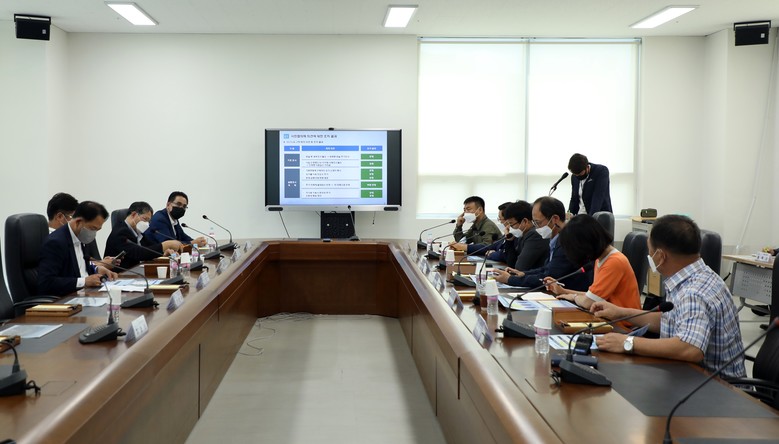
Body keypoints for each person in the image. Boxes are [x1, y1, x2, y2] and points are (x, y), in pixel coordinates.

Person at [591, 215, 746, 379]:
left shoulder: (693, 293)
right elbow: (672, 320)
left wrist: (627, 343)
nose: (649, 256)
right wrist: (620, 312)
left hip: (716, 386)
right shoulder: (698, 276)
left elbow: (690, 348)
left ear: (660, 256)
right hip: (690, 375)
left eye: (650, 251)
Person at [492, 196, 592, 291]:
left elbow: (549, 276)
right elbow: (546, 268)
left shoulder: (568, 241)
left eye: (538, 223)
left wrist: (510, 279)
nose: (536, 228)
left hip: (571, 297)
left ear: (555, 219)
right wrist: (523, 274)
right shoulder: (556, 239)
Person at [545, 214, 640, 311]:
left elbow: (588, 302)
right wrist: (563, 291)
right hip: (608, 315)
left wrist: (574, 297)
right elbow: (592, 296)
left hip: (622, 320)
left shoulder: (614, 262)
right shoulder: (600, 258)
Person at [38, 201, 118, 297]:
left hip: (86, 293)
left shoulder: (82, 237)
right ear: (78, 222)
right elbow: (46, 283)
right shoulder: (55, 242)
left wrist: (97, 269)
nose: (94, 234)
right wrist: (84, 281)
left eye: (97, 230)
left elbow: (79, 269)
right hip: (65, 298)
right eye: (93, 228)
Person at [104, 201, 183, 269]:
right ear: (134, 214)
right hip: (121, 275)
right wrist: (164, 245)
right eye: (145, 219)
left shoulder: (138, 232)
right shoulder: (120, 232)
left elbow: (149, 249)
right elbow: (139, 253)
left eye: (149, 221)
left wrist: (163, 253)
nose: (147, 224)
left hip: (136, 273)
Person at [500, 200, 549, 271]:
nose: (510, 228)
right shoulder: (523, 234)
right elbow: (512, 263)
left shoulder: (534, 235)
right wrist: (509, 240)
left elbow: (520, 267)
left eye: (511, 224)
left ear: (525, 221)